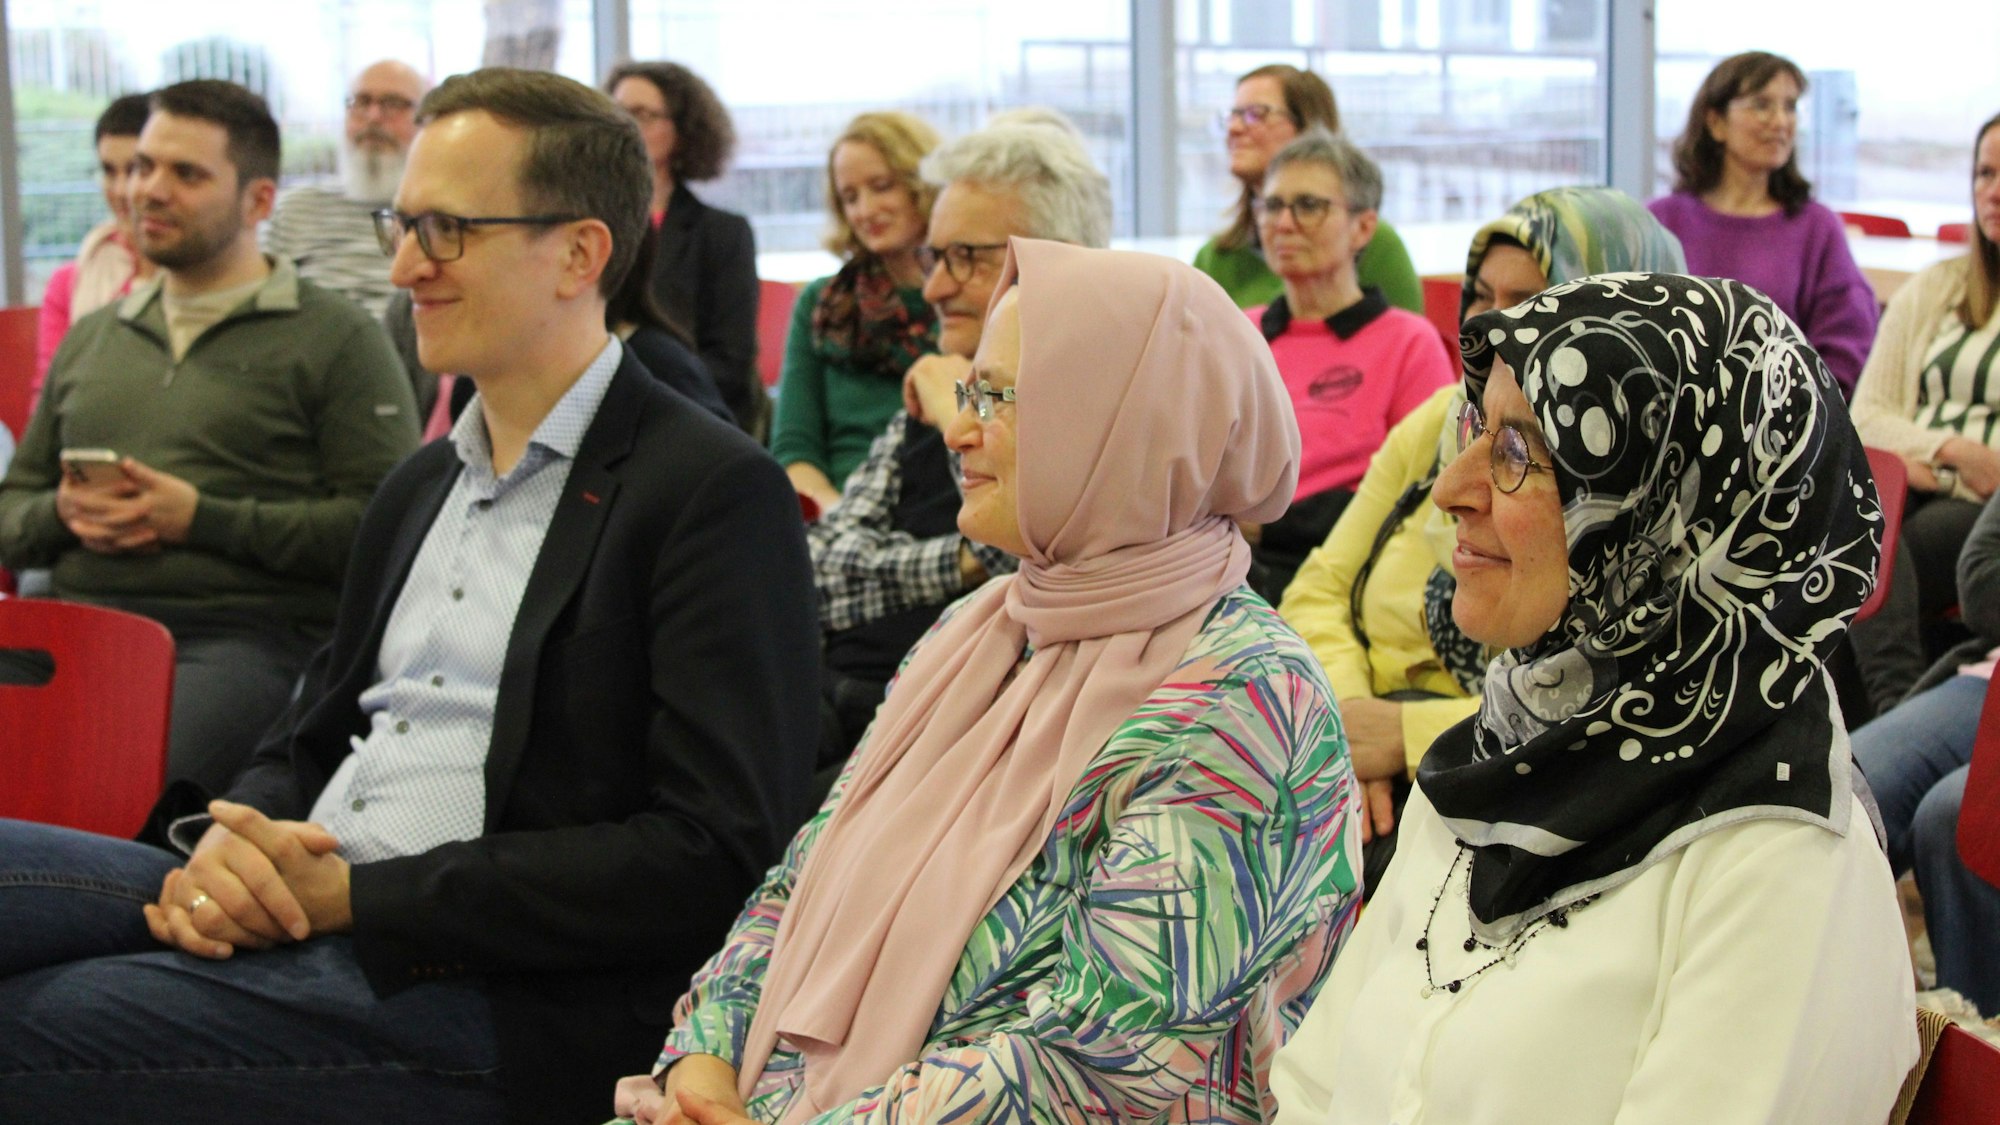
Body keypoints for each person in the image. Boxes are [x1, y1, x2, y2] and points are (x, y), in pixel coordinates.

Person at [0, 67, 821, 1125]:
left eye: (444, 231)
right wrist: (230, 844)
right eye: (403, 224)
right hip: (319, 914)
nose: (401, 266)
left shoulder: (707, 489)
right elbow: (305, 733)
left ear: (579, 253)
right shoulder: (422, 483)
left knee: (31, 1026)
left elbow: (714, 853)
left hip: (490, 991)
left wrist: (361, 897)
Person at [614, 240, 1360, 1125]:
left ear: (1124, 421)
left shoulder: (1246, 699)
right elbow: (802, 875)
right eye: (970, 390)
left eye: (999, 396)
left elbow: (1104, 1064)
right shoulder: (984, 631)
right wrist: (704, 1066)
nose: (959, 428)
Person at [1268, 272, 1917, 1124]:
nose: (1451, 487)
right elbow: (1312, 1087)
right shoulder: (1506, 746)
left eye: (1516, 451)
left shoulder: (1779, 857)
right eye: (1477, 427)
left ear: (1670, 508)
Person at [0, 79, 417, 793]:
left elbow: (384, 533)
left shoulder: (337, 338)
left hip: (235, 639)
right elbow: (13, 511)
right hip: (70, 626)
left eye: (185, 174)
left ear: (258, 201)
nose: (147, 191)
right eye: (143, 166)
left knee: (105, 790)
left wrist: (198, 518)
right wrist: (62, 513)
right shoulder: (95, 336)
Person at [1279, 185, 1686, 882]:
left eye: (1528, 299)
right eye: (1481, 296)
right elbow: (1318, 586)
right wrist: (1354, 724)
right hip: (1352, 739)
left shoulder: (1640, 487)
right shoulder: (1445, 420)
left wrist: (1409, 739)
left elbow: (1630, 692)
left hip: (1520, 787)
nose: (1493, 325)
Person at [809, 114, 1112, 764]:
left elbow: (1039, 573)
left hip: (981, 736)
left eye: (965, 258)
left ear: (1057, 260)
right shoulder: (935, 385)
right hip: (854, 702)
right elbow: (819, 573)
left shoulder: (1112, 405)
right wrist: (962, 559)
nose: (935, 286)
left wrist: (961, 413)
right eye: (934, 256)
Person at [1244, 129, 1454, 602]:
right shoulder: (1240, 331)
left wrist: (1272, 527)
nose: (1284, 223)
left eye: (1309, 205)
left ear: (1362, 227)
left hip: (1344, 569)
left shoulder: (1408, 342)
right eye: (1272, 206)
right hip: (1229, 561)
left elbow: (1422, 493)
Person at [1846, 112, 2000, 715]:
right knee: (1857, 523)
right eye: (1984, 173)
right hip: (1918, 485)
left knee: (1865, 545)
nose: (1992, 189)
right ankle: (1889, 716)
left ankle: (1892, 712)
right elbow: (1868, 414)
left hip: (1984, 512)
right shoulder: (1938, 286)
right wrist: (1947, 451)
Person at [1852, 485, 2000, 1016]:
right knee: (1843, 793)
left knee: (1954, 817)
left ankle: (1977, 1037)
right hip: (1987, 679)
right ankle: (1873, 1031)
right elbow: (1980, 578)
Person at [1649, 50, 1878, 394]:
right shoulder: (1661, 221)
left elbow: (1847, 342)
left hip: (1783, 424)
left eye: (1790, 106)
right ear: (1716, 123)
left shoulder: (1817, 227)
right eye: (1762, 104)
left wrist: (1799, 409)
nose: (1781, 121)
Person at [770, 111, 940, 510]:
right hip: (839, 514)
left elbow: (988, 423)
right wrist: (845, 525)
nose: (864, 210)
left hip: (946, 514)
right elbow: (795, 452)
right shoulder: (822, 304)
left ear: (924, 185)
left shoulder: (967, 300)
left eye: (882, 187)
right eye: (850, 197)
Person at [606, 61, 763, 434]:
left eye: (642, 114)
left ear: (682, 130)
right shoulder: (587, 229)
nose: (625, 127)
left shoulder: (723, 234)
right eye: (616, 114)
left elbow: (730, 364)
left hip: (687, 420)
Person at [1193, 63, 1421, 314]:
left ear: (1310, 128)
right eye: (1232, 116)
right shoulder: (1215, 257)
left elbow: (1403, 341)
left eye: (1255, 114)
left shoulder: (1373, 243)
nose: (1234, 129)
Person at [264, 60, 430, 318]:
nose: (373, 117)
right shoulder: (296, 209)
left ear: (427, 121)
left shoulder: (446, 216)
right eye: (361, 103)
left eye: (393, 104)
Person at [34, 93, 154, 396]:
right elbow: (48, 400)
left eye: (136, 170)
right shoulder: (70, 283)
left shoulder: (203, 277)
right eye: (109, 171)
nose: (120, 190)